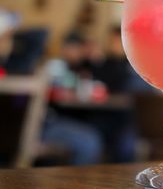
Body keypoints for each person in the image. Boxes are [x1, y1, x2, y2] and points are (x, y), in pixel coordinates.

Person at [0, 10, 103, 166]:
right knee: (89, 141)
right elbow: (40, 34)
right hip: (22, 129)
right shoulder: (22, 63)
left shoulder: (14, 64)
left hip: (24, 126)